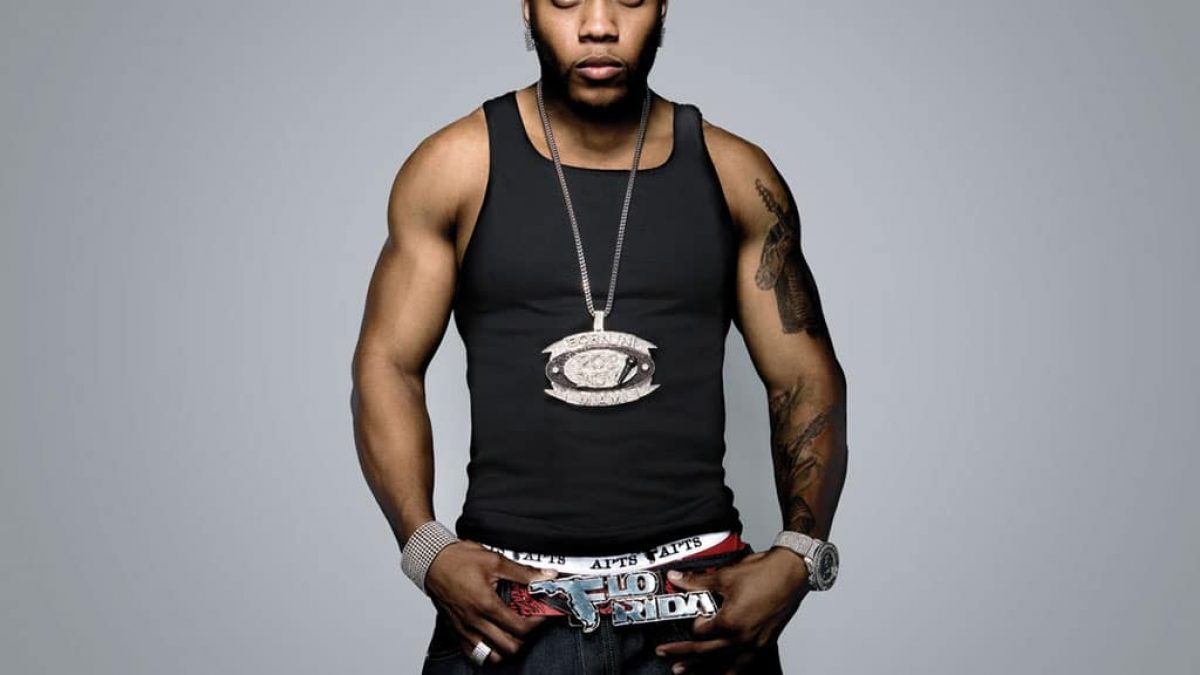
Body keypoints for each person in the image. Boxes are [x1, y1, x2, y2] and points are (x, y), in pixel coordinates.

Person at [350, 1, 848, 673]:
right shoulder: (456, 166)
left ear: (662, 7)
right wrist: (425, 548)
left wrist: (798, 554)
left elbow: (803, 375)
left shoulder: (735, 174)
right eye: (566, 0)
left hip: (699, 615)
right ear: (527, 9)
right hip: (510, 610)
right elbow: (387, 363)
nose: (598, 24)